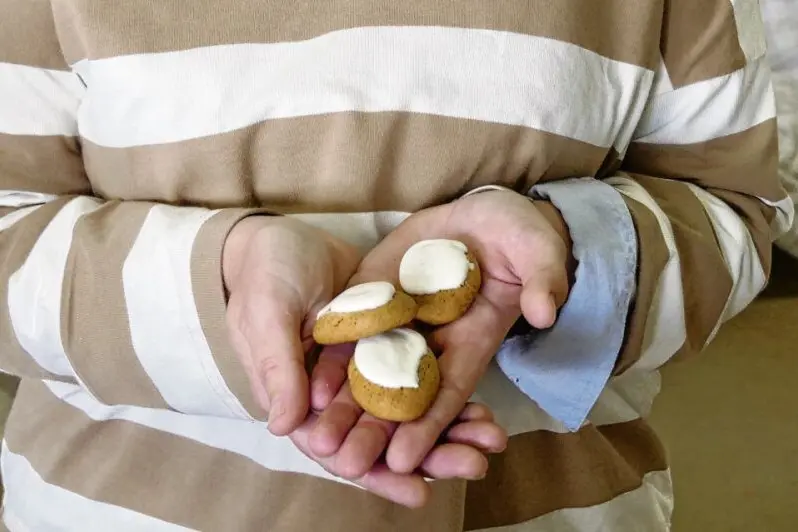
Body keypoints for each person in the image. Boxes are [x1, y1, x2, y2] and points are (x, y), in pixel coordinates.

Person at [0, 1, 792, 530]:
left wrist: (571, 247)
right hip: (112, 506)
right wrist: (218, 280)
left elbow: (738, 209)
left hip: (556, 505)